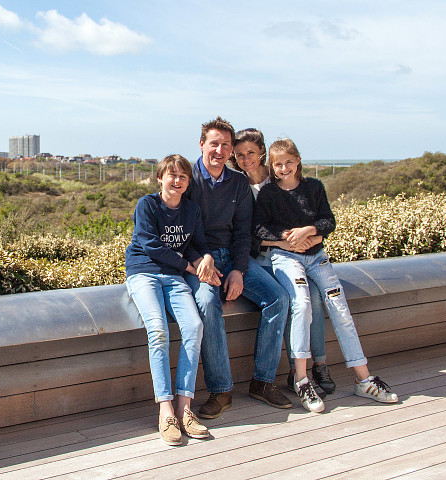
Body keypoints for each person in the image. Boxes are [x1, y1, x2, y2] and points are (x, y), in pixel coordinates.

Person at [253, 137, 399, 413]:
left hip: (317, 256)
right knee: (303, 304)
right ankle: (301, 379)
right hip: (286, 258)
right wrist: (287, 237)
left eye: (289, 162)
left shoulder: (314, 187)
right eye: (278, 164)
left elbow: (327, 221)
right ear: (271, 166)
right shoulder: (269, 193)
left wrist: (307, 232)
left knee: (340, 309)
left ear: (298, 161)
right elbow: (260, 229)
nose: (284, 168)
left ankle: (364, 379)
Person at [184, 117, 292, 419]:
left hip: (231, 257)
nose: (219, 150)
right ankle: (221, 390)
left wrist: (238, 270)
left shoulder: (238, 183)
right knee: (207, 301)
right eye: (213, 143)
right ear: (202, 144)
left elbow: (243, 232)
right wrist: (198, 258)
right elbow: (180, 230)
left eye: (225, 145)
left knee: (278, 298)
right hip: (200, 260)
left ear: (230, 150)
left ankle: (263, 381)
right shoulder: (189, 179)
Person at [231, 128, 335, 398]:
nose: (245, 159)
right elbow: (249, 232)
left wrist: (309, 236)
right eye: (239, 154)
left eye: (251, 153)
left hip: (296, 255)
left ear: (262, 152)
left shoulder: (280, 177)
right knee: (293, 299)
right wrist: (281, 243)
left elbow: (311, 215)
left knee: (313, 296)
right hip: (262, 258)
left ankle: (317, 366)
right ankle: (294, 372)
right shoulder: (237, 185)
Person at [125, 154, 214, 445]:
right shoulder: (147, 205)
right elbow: (150, 246)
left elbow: (197, 245)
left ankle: (184, 407)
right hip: (144, 273)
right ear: (160, 178)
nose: (176, 181)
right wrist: (190, 267)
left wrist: (207, 259)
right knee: (159, 331)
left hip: (173, 278)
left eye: (183, 177)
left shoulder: (191, 210)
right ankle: (165, 410)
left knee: (194, 327)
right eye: (171, 175)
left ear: (188, 183)